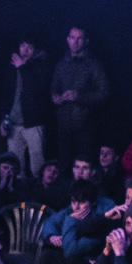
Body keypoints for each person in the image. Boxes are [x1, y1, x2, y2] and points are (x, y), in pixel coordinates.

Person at [39, 180, 112, 264]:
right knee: (48, 255)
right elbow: (51, 221)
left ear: (93, 202)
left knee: (71, 260)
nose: (77, 207)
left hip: (97, 260)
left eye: (82, 202)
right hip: (79, 255)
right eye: (73, 202)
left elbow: (71, 250)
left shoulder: (104, 211)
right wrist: (51, 236)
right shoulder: (72, 210)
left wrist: (70, 221)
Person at [50, 26, 109, 169]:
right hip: (64, 124)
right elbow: (54, 87)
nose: (75, 42)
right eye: (72, 38)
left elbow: (104, 93)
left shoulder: (94, 64)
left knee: (84, 165)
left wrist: (79, 96)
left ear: (86, 41)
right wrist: (55, 96)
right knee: (64, 166)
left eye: (79, 38)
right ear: (67, 40)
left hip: (85, 125)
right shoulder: (62, 64)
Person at [5, 37, 53, 178]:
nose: (25, 50)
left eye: (29, 47)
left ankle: (39, 196)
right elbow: (6, 94)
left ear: (35, 49)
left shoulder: (41, 65)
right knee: (15, 166)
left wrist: (23, 67)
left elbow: (38, 88)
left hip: (33, 122)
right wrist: (4, 116)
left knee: (37, 167)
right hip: (13, 123)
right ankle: (18, 196)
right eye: (22, 46)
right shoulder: (12, 65)